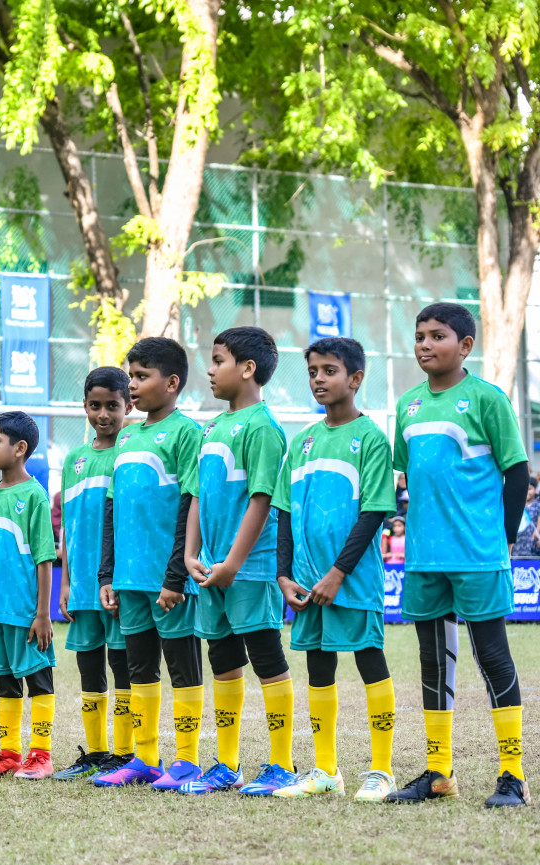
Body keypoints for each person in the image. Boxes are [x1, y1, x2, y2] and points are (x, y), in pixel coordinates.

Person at [387, 302, 528, 807]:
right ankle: (438, 771)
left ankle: (513, 774)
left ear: (465, 345)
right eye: (420, 336)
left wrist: (504, 539)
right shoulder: (407, 405)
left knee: (492, 656)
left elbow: (516, 472)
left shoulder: (487, 399)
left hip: (478, 553)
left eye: (437, 336)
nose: (425, 344)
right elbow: (408, 478)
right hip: (424, 558)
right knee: (434, 662)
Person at [272, 336, 399, 801]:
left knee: (371, 664)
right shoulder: (302, 440)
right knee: (318, 670)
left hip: (352, 581)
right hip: (304, 583)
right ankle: (326, 770)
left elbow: (373, 513)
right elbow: (284, 513)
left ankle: (381, 771)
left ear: (356, 378)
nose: (319, 380)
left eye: (329, 370)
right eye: (313, 372)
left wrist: (338, 572)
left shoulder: (370, 438)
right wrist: (284, 574)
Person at [182, 326, 293, 797]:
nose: (209, 369)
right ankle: (227, 764)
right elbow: (198, 499)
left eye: (218, 360)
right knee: (222, 657)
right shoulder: (211, 428)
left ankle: (282, 765)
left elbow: (261, 500)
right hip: (210, 568)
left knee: (266, 656)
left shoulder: (263, 427)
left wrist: (232, 562)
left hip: (249, 568)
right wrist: (192, 553)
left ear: (247, 369)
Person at [94, 337, 204, 788]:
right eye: (131, 375)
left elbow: (191, 504)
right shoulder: (126, 437)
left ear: (172, 382)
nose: (132, 385)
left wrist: (176, 575)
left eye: (142, 377)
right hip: (129, 578)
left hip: (168, 580)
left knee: (182, 667)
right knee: (139, 669)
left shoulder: (186, 432)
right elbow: (111, 507)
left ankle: (188, 761)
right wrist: (107, 574)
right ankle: (145, 760)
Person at [0, 411, 58, 779]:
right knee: (5, 683)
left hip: (24, 612)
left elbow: (45, 559)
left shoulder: (34, 494)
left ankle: (42, 756)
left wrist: (42, 614)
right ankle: (9, 755)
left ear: (19, 449)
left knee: (38, 680)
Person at [53, 367, 133, 781]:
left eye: (112, 406)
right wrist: (65, 581)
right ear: (84, 406)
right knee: (89, 668)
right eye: (95, 405)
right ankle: (96, 752)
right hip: (82, 583)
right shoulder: (73, 460)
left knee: (122, 666)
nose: (103, 414)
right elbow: (68, 524)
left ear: (129, 406)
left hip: (117, 583)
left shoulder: (130, 452)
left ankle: (124, 752)